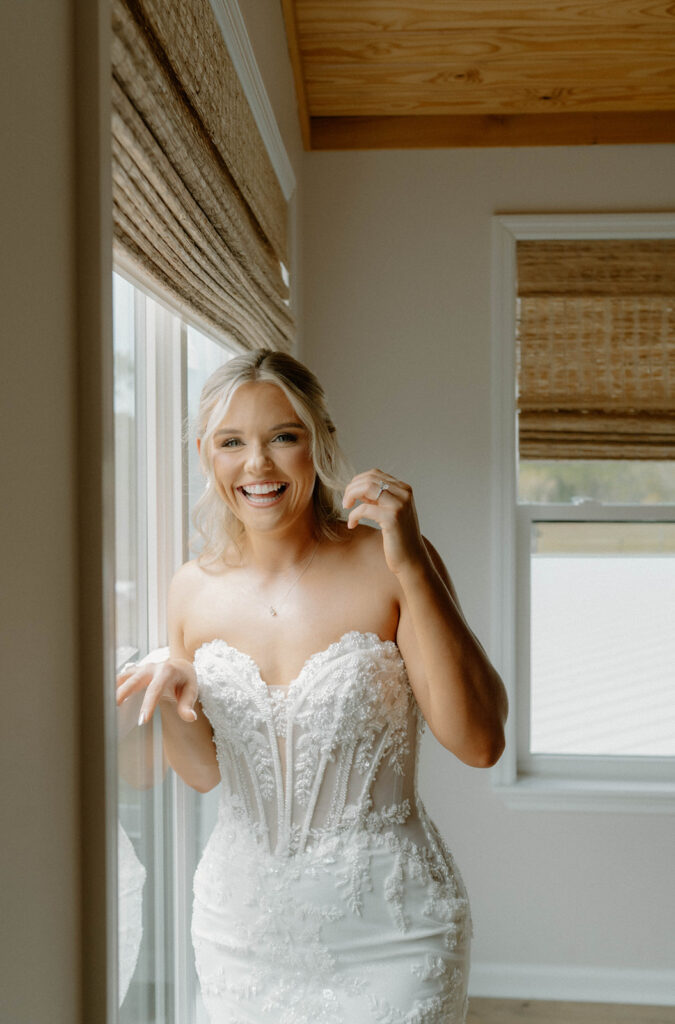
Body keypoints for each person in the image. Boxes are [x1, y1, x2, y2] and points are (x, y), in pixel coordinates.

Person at [116, 348, 508, 1023]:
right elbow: (204, 774)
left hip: (393, 934)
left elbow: (479, 743)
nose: (257, 465)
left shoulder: (388, 562)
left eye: (282, 437)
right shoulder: (191, 588)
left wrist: (413, 563)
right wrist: (175, 696)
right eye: (231, 442)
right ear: (206, 454)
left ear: (319, 442)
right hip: (240, 936)